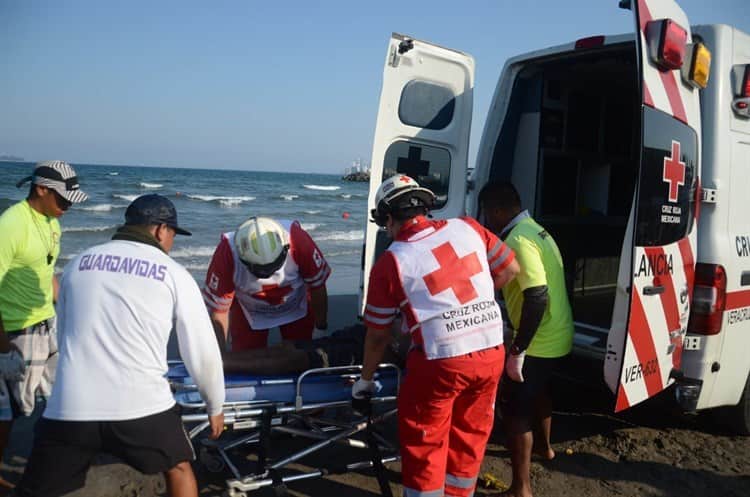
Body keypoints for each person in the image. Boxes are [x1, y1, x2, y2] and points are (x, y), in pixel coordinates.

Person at [15, 194, 225, 497]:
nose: (172, 243)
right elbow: (203, 352)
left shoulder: (78, 264)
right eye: (173, 235)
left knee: (39, 489)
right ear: (159, 230)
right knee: (179, 468)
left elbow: (63, 334)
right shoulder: (174, 274)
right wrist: (214, 405)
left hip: (72, 405)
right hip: (142, 405)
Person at [352, 175, 519, 497]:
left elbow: (377, 336)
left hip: (440, 362)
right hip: (490, 351)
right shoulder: (468, 227)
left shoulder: (392, 261)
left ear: (389, 218)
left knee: (425, 443)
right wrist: (473, 304)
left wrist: (365, 381)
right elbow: (510, 270)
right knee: (469, 436)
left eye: (384, 223)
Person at [479, 180, 574, 497]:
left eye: (486, 215)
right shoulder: (536, 230)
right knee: (540, 391)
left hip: (539, 339)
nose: (486, 223)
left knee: (516, 410)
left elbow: (536, 296)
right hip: (559, 332)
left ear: (497, 211)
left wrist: (518, 348)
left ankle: (521, 489)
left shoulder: (518, 240)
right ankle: (545, 450)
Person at [0, 160, 88, 486]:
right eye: (63, 199)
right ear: (41, 189)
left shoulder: (52, 220)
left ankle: (51, 467)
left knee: (59, 399)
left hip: (47, 325)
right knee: (8, 412)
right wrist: (3, 346)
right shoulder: (12, 224)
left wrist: (69, 308)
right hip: (15, 332)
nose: (67, 207)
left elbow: (46, 273)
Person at [203, 216, 330, 351]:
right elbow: (219, 310)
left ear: (285, 249)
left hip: (295, 304)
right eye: (260, 271)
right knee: (245, 359)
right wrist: (220, 356)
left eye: (272, 267)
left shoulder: (298, 240)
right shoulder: (227, 253)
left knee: (303, 352)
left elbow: (318, 286)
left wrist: (320, 327)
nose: (267, 274)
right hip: (249, 309)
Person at [222, 323, 409, 375]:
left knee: (298, 359)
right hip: (366, 335)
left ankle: (223, 366)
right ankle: (221, 360)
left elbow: (405, 348)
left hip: (377, 352)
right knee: (289, 347)